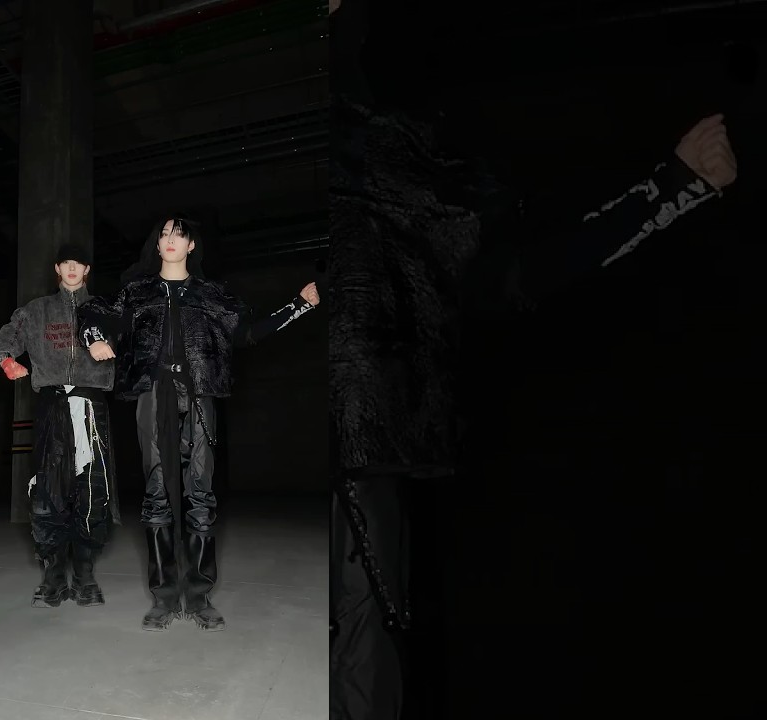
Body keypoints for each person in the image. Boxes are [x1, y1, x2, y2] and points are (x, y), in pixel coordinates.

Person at [327, 1, 739, 718]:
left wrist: (673, 188)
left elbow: (517, 271)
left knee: (363, 638)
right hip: (356, 438)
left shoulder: (399, 158)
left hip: (365, 442)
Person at [79, 216, 321, 631]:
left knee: (201, 495)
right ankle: (163, 597)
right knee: (156, 493)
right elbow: (91, 312)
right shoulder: (136, 293)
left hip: (199, 396)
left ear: (192, 245)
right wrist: (94, 338)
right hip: (153, 396)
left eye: (179, 234)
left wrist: (299, 305)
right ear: (157, 246)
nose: (171, 240)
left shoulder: (211, 295)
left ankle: (199, 595)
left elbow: (247, 333)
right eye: (164, 235)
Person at [0, 243, 122, 608]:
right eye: (66, 263)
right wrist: (6, 361)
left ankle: (85, 574)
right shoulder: (37, 310)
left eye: (79, 263)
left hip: (91, 406)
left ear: (87, 270)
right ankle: (53, 577)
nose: (72, 268)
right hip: (52, 406)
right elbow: (4, 339)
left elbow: (132, 340)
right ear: (57, 269)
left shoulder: (107, 309)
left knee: (92, 490)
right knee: (48, 491)